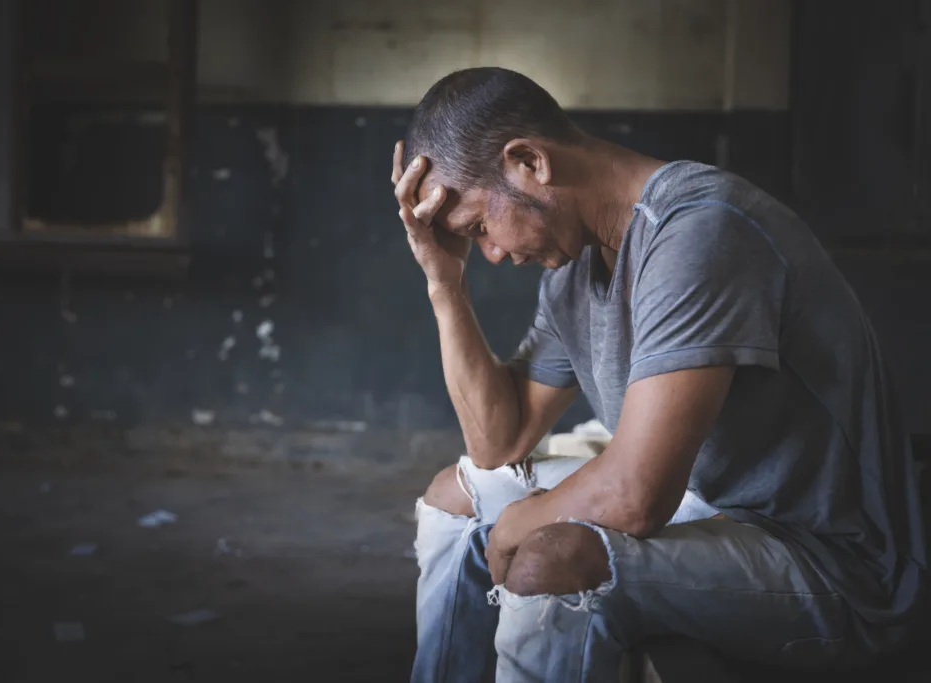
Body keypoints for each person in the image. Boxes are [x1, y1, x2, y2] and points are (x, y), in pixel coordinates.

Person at [391, 67, 927, 683]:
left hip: (831, 562)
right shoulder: (573, 270)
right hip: (710, 506)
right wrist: (443, 281)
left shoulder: (701, 230)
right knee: (456, 501)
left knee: (550, 562)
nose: (491, 253)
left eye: (480, 227)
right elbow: (496, 443)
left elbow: (635, 496)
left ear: (528, 162)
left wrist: (518, 524)